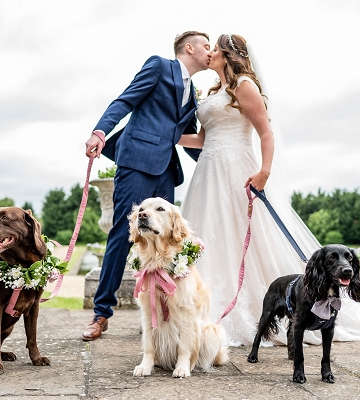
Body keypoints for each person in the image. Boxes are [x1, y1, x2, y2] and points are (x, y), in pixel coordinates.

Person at [179, 34, 360, 346]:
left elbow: (265, 132)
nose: (209, 53)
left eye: (215, 48)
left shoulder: (244, 86)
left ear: (227, 54)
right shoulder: (215, 91)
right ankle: (196, 306)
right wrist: (167, 137)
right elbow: (201, 140)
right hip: (207, 172)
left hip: (236, 168)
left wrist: (264, 171)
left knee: (239, 232)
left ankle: (260, 306)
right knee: (207, 233)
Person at [82, 31, 211, 341]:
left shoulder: (192, 93)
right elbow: (125, 100)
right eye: (207, 46)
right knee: (121, 235)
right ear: (189, 48)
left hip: (166, 170)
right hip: (137, 160)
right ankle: (102, 314)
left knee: (165, 240)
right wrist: (100, 133)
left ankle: (158, 313)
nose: (211, 51)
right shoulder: (159, 66)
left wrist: (217, 159)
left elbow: (189, 139)